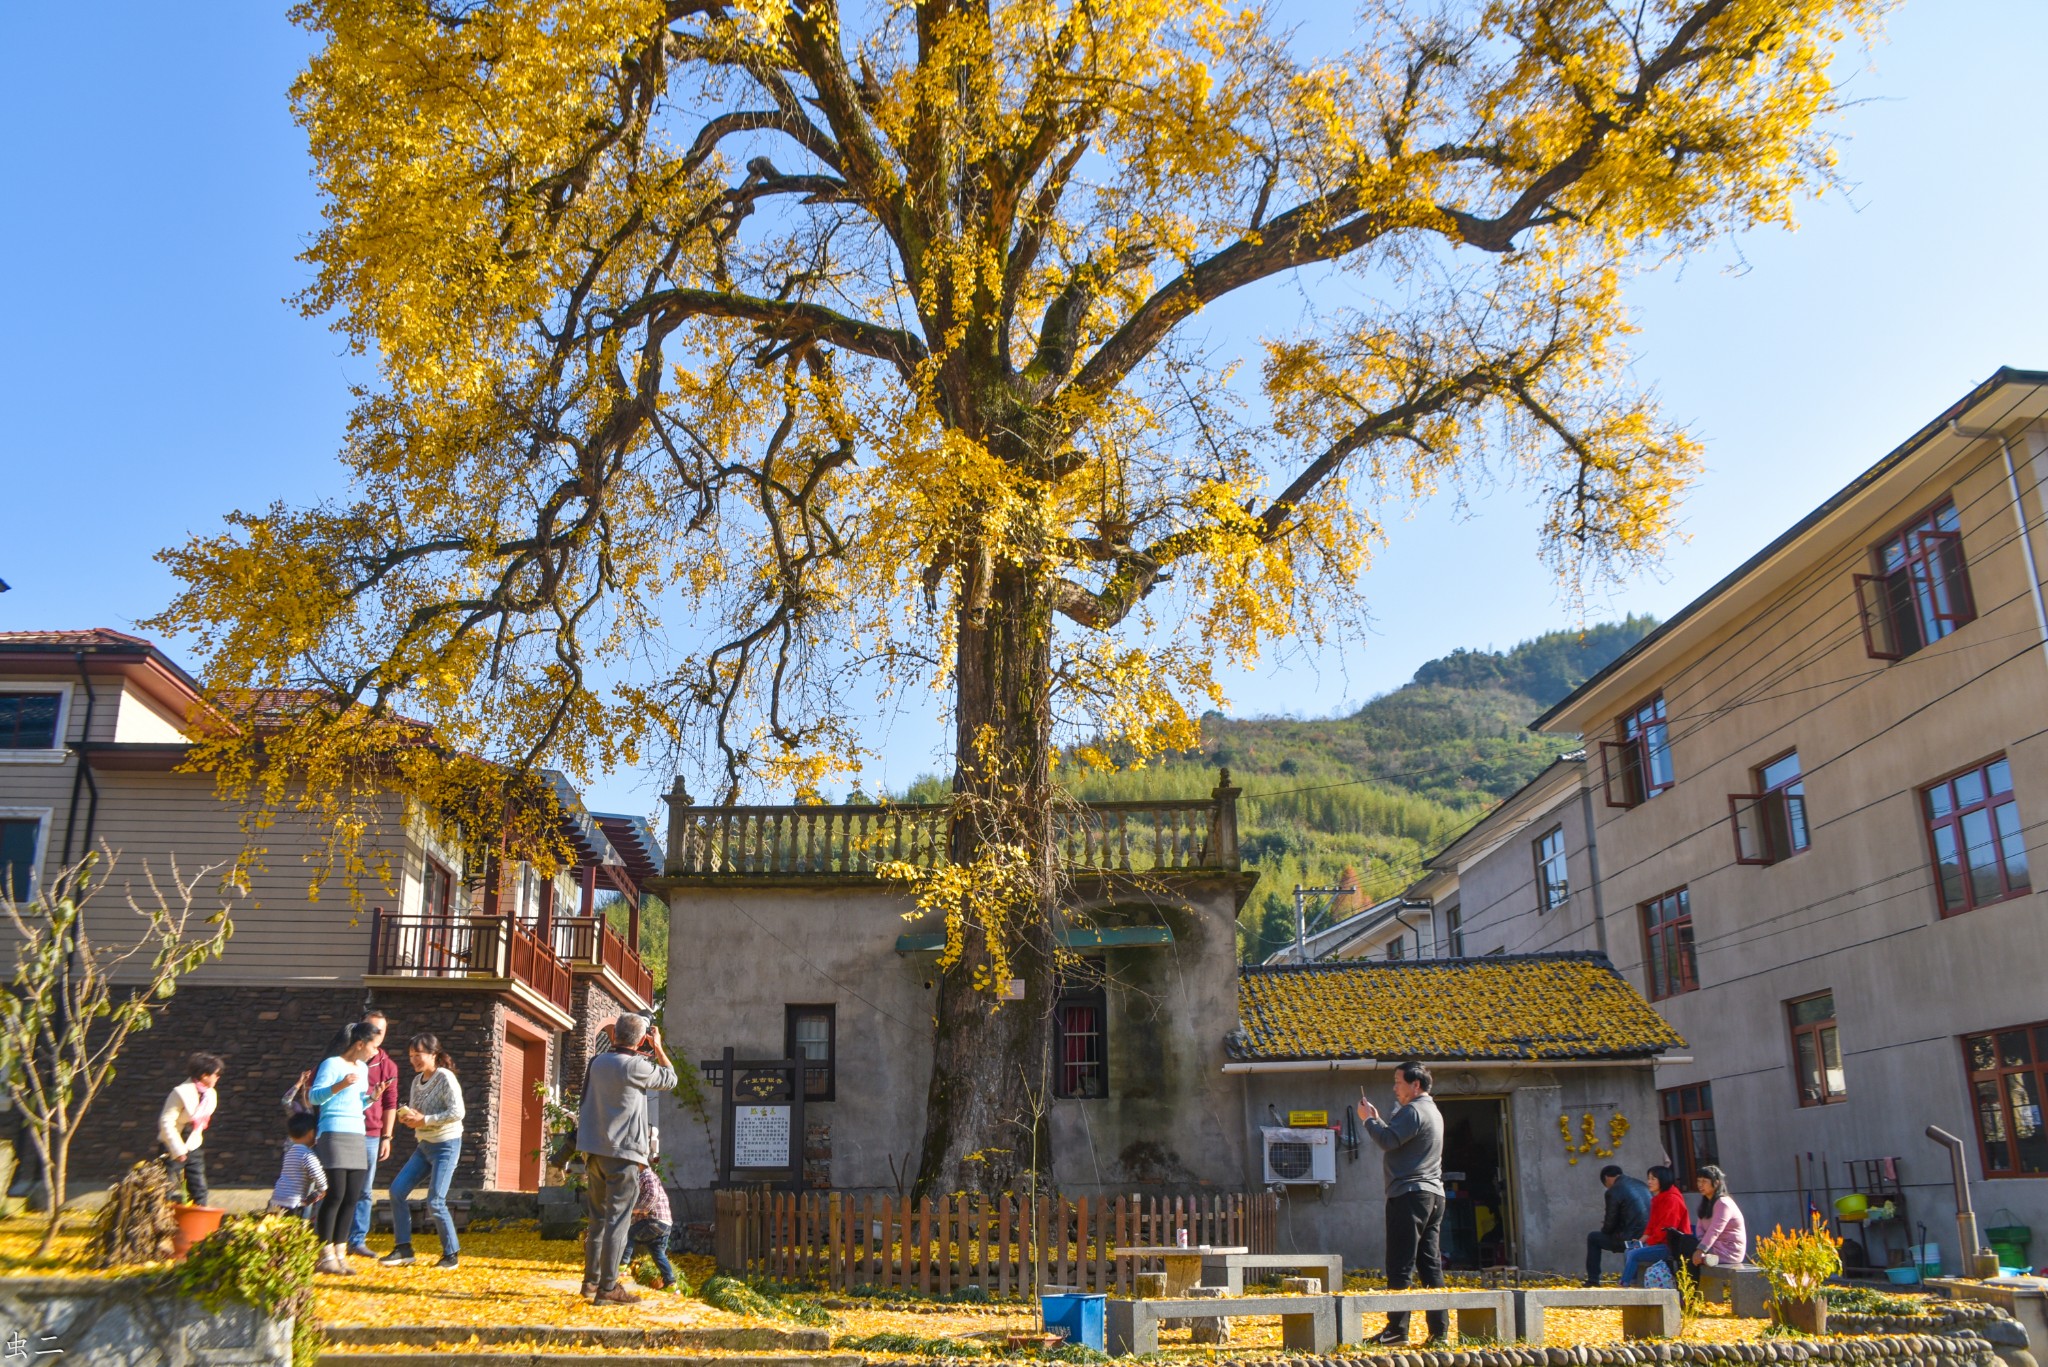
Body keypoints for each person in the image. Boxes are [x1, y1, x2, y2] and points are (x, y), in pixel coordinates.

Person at [576, 1015, 677, 1306]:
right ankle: (608, 1288)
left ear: (615, 1035)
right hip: (624, 1155)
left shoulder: (596, 1063)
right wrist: (658, 1047)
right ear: (641, 1038)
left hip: (594, 1151)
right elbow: (670, 1079)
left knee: (597, 1220)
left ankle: (590, 1283)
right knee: (619, 1223)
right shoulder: (637, 1066)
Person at [1356, 1061, 1446, 1346]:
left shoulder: (1413, 1110)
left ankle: (1397, 1329)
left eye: (1398, 1082)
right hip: (1433, 1195)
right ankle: (1439, 1332)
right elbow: (1397, 1138)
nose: (1394, 1088)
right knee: (1429, 1264)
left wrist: (1368, 1120)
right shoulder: (1432, 1111)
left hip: (1408, 1194)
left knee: (1400, 1263)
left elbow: (1389, 1141)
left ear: (1415, 1085)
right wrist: (1379, 1120)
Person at [380, 1032, 466, 1270]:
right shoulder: (417, 1081)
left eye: (418, 1055)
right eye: (411, 1056)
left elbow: (458, 1112)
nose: (414, 1060)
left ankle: (451, 1255)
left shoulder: (445, 1077)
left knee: (435, 1201)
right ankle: (404, 1249)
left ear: (433, 1054)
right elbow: (417, 1113)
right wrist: (409, 1118)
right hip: (424, 1147)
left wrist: (425, 1119)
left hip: (447, 1145)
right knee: (397, 1191)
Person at [309, 1023, 378, 1276]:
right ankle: (324, 1254)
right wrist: (340, 1085)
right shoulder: (331, 1065)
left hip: (357, 1133)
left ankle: (340, 1252)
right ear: (359, 1043)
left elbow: (356, 1104)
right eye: (373, 1046)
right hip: (333, 1131)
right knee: (335, 1194)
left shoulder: (363, 1068)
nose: (374, 1052)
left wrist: (371, 1098)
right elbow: (315, 1097)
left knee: (352, 1196)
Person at [348, 1010, 400, 1259]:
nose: (376, 1035)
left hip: (371, 1133)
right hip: (345, 1130)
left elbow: (391, 1103)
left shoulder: (387, 1065)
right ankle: (328, 1238)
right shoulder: (343, 1059)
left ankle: (357, 1239)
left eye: (381, 1031)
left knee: (364, 1190)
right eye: (372, 1029)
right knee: (335, 1187)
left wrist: (387, 1137)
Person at [158, 1052, 223, 1206]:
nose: (218, 1077)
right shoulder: (181, 1092)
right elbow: (166, 1121)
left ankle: (199, 1224)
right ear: (204, 1075)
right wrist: (178, 1149)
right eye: (216, 1074)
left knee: (199, 1188)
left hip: (194, 1144)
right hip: (172, 1145)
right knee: (165, 1189)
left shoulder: (210, 1095)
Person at [1621, 1165, 1693, 1286]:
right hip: (1658, 1242)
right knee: (1629, 1250)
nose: (1649, 1182)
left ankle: (1624, 1285)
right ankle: (1633, 1284)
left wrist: (1646, 1244)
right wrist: (1640, 1242)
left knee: (1634, 1254)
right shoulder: (1657, 1199)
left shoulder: (1672, 1200)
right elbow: (1651, 1226)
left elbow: (1667, 1229)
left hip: (1671, 1246)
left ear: (1663, 1180)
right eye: (1648, 1178)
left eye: (1653, 1179)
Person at [1586, 1163, 1652, 1286]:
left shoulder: (1614, 1191)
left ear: (1606, 1178)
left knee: (1593, 1238)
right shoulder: (1641, 1185)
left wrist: (1605, 1229)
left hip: (1631, 1239)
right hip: (1649, 1237)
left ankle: (1593, 1280)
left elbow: (1610, 1223)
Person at [623, 1152, 676, 1289]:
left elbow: (652, 1195)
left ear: (640, 1164)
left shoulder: (647, 1175)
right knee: (657, 1253)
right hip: (665, 1224)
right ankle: (671, 1283)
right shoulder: (647, 1176)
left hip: (654, 1220)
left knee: (628, 1233)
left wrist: (638, 1209)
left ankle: (622, 1265)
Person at [268, 1111, 328, 1219]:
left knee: (279, 1229)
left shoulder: (290, 1153)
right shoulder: (307, 1155)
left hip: (277, 1197)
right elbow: (318, 1175)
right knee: (292, 1229)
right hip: (293, 1202)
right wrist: (323, 1189)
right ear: (311, 1133)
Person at [1690, 1165, 1748, 1269]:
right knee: (1684, 1244)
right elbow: (1699, 1228)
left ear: (1716, 1183)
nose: (1700, 1185)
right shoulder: (1705, 1204)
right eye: (1699, 1181)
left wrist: (1701, 1250)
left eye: (1704, 1181)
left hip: (1728, 1250)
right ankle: (1705, 1260)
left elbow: (1715, 1230)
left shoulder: (1723, 1203)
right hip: (1712, 1247)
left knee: (1688, 1250)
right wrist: (1700, 1243)